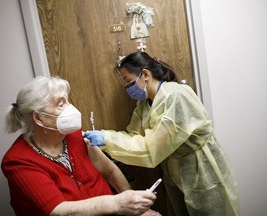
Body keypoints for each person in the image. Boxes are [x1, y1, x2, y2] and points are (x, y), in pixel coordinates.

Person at [84, 51, 240, 216]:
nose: (127, 89)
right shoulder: (144, 105)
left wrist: (107, 139)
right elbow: (133, 136)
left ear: (145, 74)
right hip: (175, 173)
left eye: (129, 82)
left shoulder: (175, 96)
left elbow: (151, 150)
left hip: (200, 168)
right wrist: (104, 137)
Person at [1, 76, 161, 216]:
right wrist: (119, 204)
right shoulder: (18, 161)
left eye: (67, 100)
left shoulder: (74, 135)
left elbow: (110, 171)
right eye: (60, 104)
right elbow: (59, 211)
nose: (70, 108)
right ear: (39, 118)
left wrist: (137, 210)